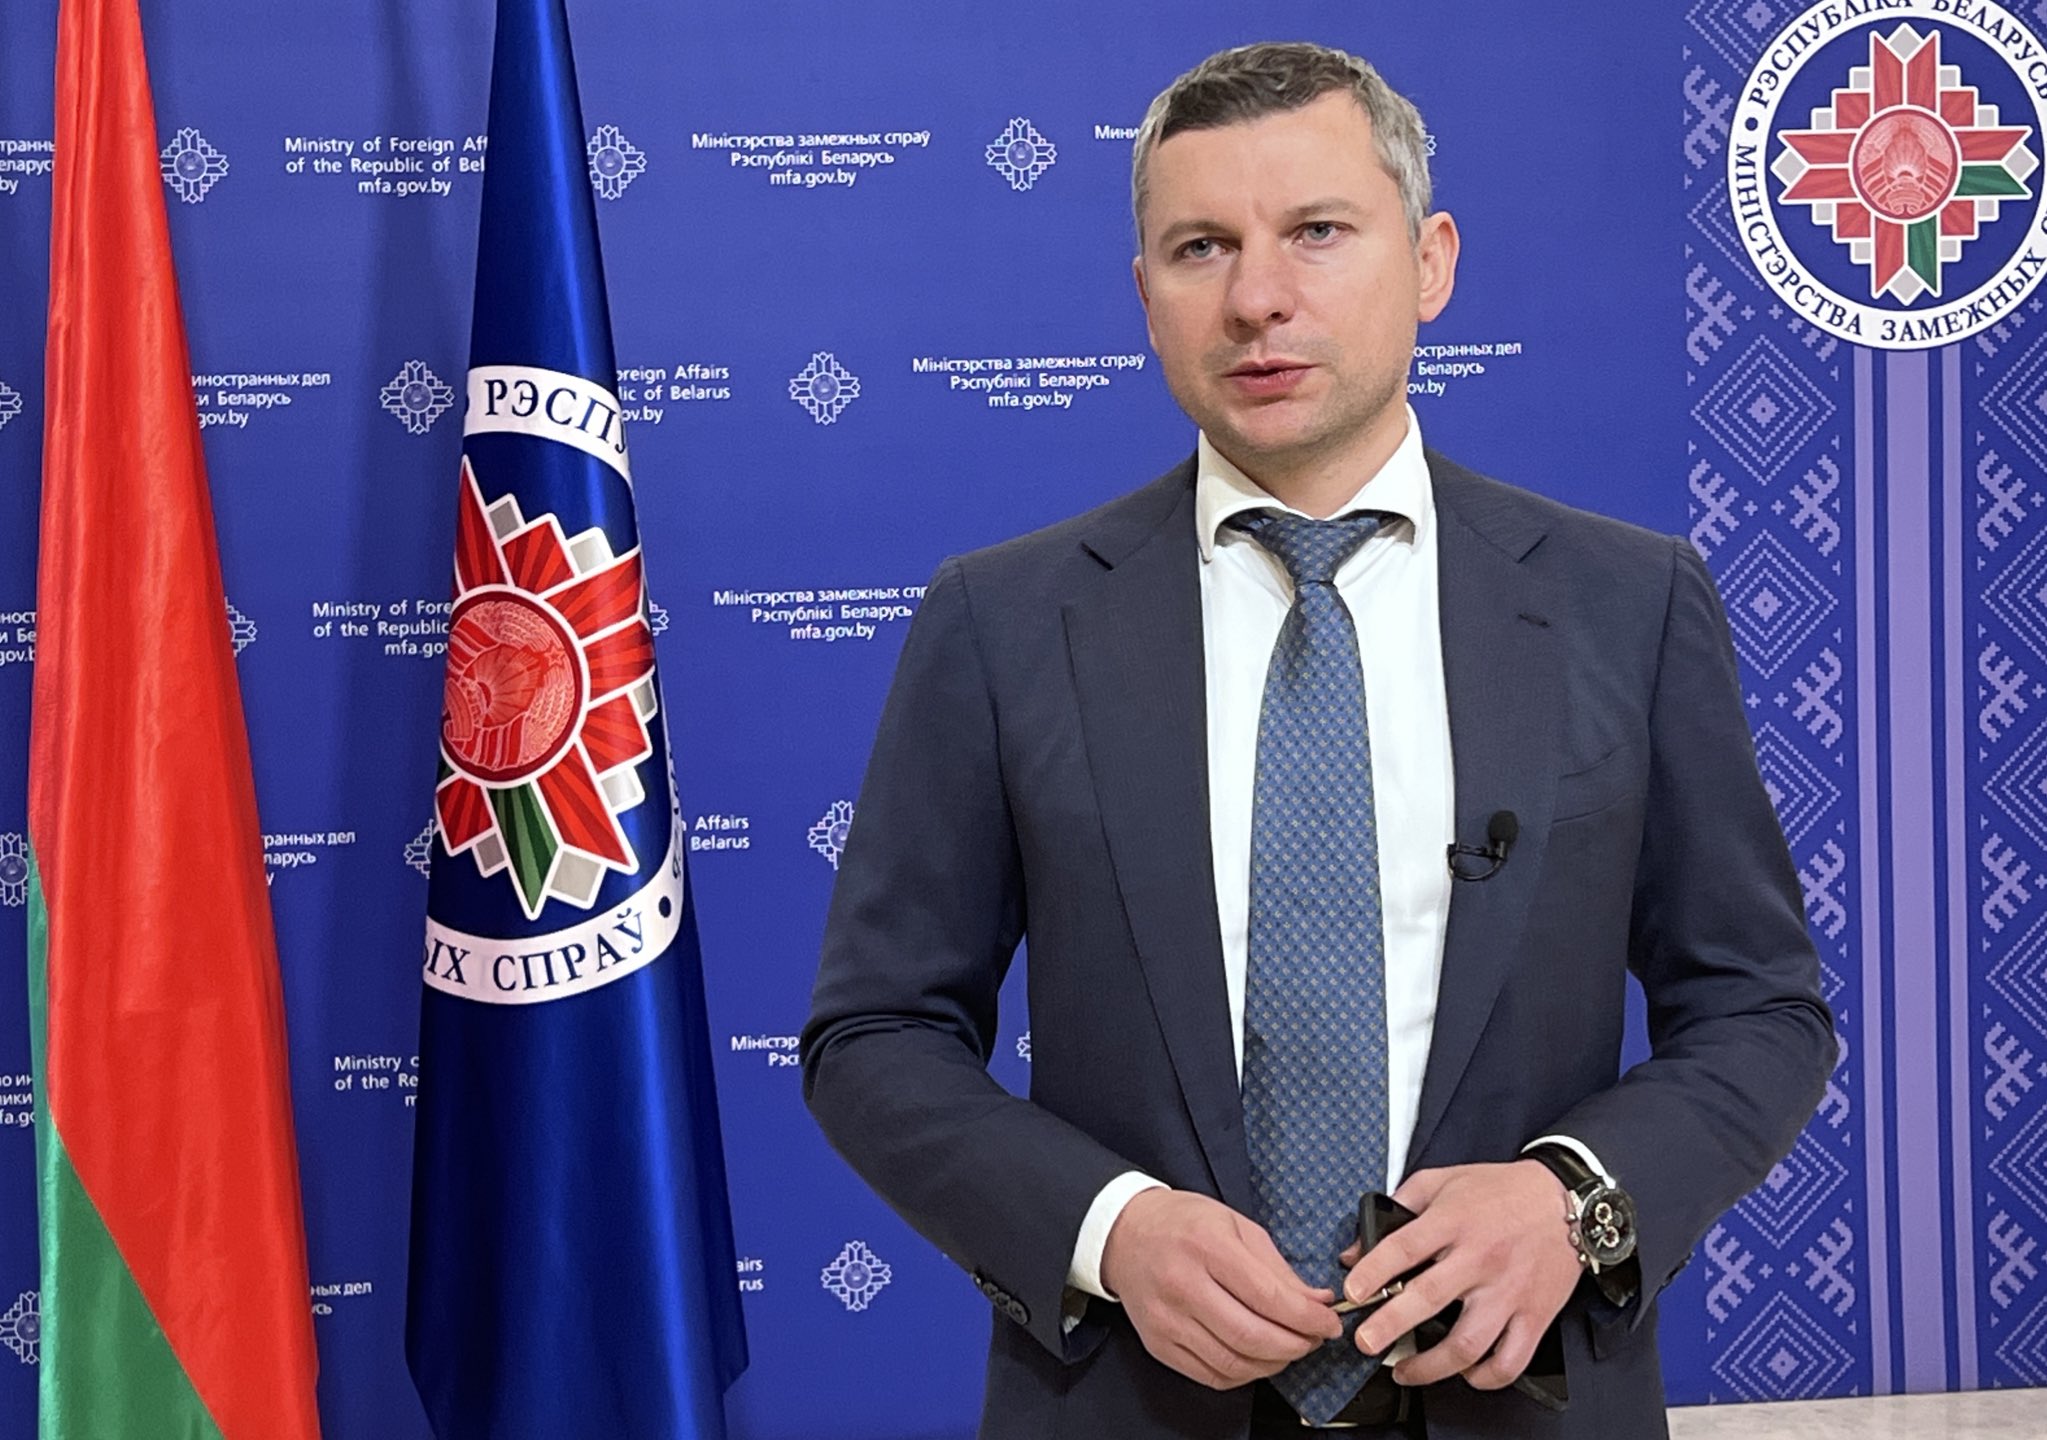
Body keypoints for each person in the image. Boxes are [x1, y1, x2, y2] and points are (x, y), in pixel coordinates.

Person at [801, 40, 1834, 1440]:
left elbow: (1761, 1007)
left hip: (1520, 1403)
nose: (1257, 299)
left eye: (1318, 232)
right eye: (1202, 248)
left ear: (1432, 262)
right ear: (1145, 298)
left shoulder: (1626, 603)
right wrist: (1109, 1229)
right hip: (1136, 1403)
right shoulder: (1004, 619)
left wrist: (1575, 1200)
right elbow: (875, 1033)